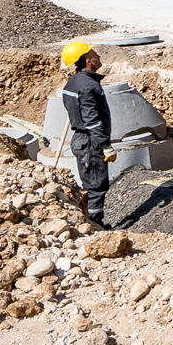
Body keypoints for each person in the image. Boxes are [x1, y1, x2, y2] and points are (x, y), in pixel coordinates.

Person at [59, 41, 112, 222]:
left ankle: (91, 221)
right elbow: (91, 120)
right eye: (95, 54)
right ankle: (96, 225)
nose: (98, 56)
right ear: (88, 61)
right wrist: (105, 145)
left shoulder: (73, 83)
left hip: (81, 139)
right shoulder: (89, 86)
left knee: (91, 183)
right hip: (90, 141)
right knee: (96, 187)